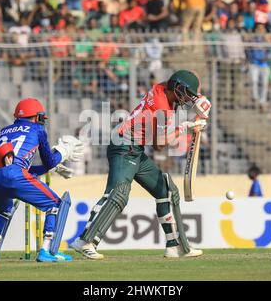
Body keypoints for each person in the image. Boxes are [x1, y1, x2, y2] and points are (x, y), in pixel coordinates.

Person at [71, 70, 211, 260]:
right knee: (118, 193)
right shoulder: (162, 108)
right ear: (177, 88)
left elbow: (186, 78)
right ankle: (85, 241)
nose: (188, 99)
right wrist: (186, 127)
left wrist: (199, 101)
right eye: (187, 94)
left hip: (133, 149)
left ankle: (175, 246)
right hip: (124, 146)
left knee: (167, 191)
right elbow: (159, 145)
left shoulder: (162, 88)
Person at [0, 98, 85, 263]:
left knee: (2, 208)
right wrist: (62, 152)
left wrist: (51, 168)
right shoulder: (37, 129)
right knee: (55, 205)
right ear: (37, 117)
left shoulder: (4, 131)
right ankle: (47, 251)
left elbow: (16, 167)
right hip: (13, 175)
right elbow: (48, 161)